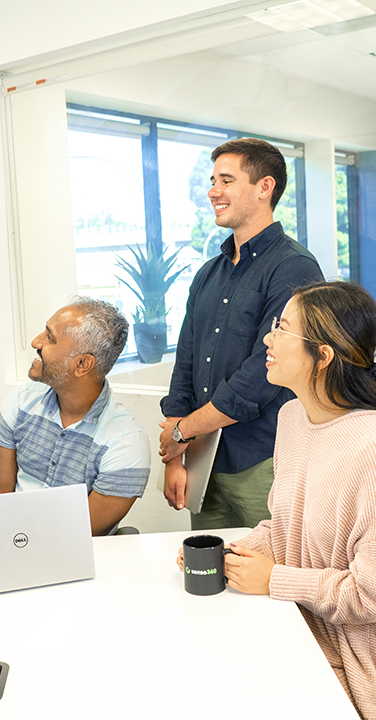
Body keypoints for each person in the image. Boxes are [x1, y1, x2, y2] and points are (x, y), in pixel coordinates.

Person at [179, 281, 376, 720]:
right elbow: (287, 525)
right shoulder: (294, 416)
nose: (267, 338)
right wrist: (238, 555)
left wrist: (273, 580)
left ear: (322, 357)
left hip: (367, 669)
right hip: (305, 626)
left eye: (282, 328)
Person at [159, 137, 324, 530]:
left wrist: (183, 431)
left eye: (226, 180)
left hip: (263, 460)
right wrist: (176, 457)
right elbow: (186, 364)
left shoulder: (293, 268)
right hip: (204, 460)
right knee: (211, 578)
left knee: (275, 580)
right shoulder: (207, 274)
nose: (214, 191)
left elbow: (261, 376)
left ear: (264, 187)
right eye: (212, 181)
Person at [0, 297, 151, 536]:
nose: (35, 342)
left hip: (74, 559)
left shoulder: (126, 443)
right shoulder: (22, 401)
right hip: (11, 542)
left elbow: (79, 534)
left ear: (83, 364)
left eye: (49, 337)